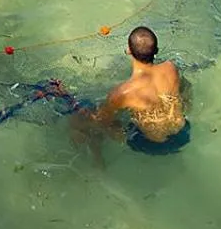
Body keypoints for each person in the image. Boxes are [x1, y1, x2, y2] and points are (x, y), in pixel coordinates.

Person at [70, 26, 189, 158]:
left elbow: (103, 121)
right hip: (183, 134)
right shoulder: (171, 68)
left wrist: (87, 115)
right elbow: (185, 91)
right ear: (156, 50)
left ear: (128, 51)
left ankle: (96, 159)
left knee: (83, 114)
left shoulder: (122, 93)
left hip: (151, 144)